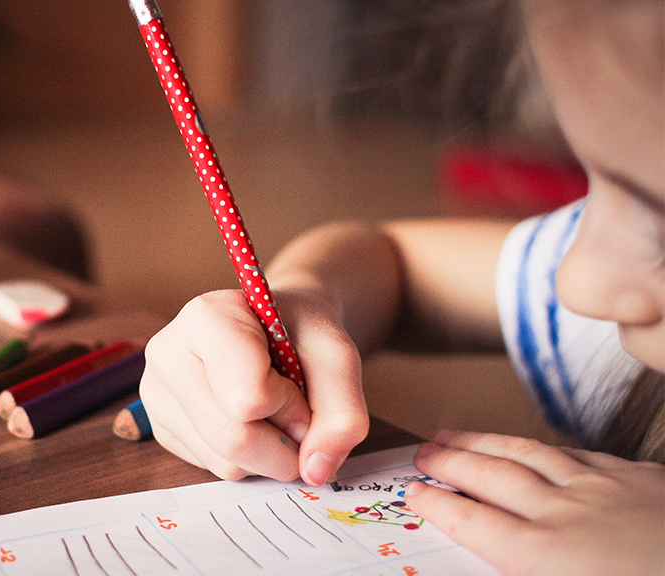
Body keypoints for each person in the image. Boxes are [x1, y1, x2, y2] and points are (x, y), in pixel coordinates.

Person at [138, 0, 665, 573]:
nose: (575, 280)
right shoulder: (616, 286)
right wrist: (304, 304)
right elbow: (395, 264)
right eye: (592, 186)